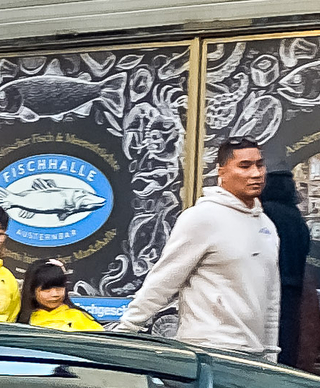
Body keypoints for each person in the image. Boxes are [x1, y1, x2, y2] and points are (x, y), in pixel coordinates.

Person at [113, 138, 281, 360]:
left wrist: (270, 354)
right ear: (221, 172)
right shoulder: (201, 218)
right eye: (244, 166)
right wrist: (126, 330)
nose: (256, 173)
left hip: (253, 355)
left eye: (259, 165)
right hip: (207, 351)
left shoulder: (266, 225)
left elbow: (271, 297)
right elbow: (164, 280)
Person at [258, 168, 320, 368]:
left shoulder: (265, 214)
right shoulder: (296, 218)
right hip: (295, 290)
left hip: (270, 288)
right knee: (289, 343)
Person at [18, 258, 101, 330]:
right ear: (32, 290)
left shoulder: (79, 318)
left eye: (59, 288)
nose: (55, 294)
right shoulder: (21, 324)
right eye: (46, 290)